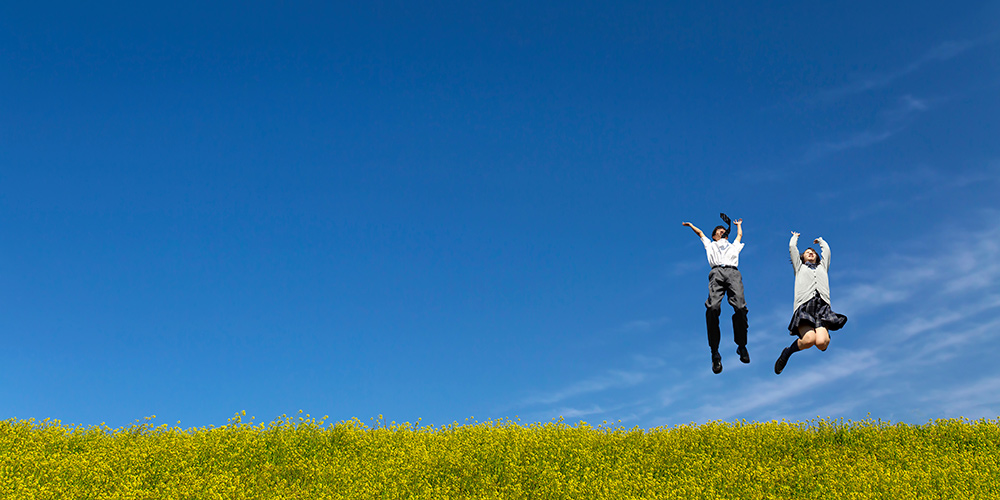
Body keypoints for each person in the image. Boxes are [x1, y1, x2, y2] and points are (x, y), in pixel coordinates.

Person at [681, 217, 750, 374]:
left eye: (723, 230)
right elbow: (700, 233)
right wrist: (691, 224)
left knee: (740, 307)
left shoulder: (733, 246)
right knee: (712, 308)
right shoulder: (710, 244)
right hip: (717, 272)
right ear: (714, 236)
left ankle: (742, 346)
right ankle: (715, 353)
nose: (722, 231)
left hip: (733, 272)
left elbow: (739, 236)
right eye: (719, 230)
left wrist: (739, 225)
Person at [774, 232, 848, 374]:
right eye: (807, 252)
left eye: (813, 252)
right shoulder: (799, 268)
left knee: (821, 343)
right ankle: (787, 353)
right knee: (808, 340)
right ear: (802, 257)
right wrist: (795, 237)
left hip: (822, 307)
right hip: (805, 307)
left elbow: (826, 251)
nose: (811, 253)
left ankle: (824, 333)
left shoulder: (822, 267)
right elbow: (792, 247)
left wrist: (820, 241)